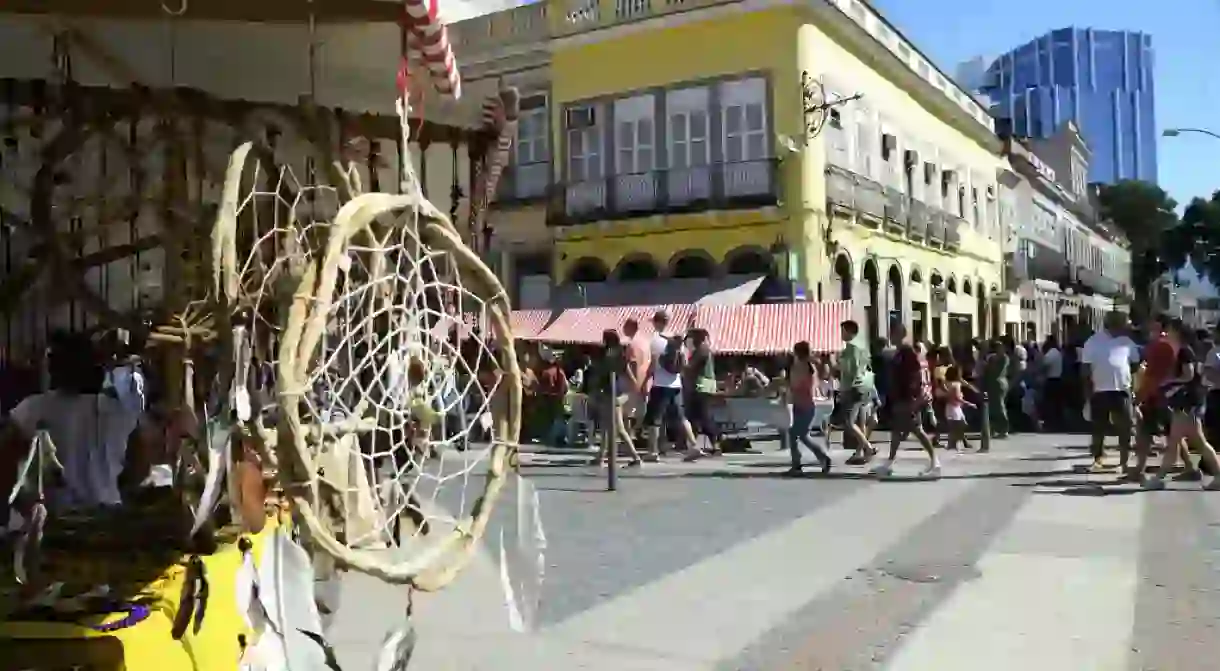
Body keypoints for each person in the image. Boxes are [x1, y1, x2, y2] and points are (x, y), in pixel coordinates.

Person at [0, 331, 146, 512]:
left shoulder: (33, 409)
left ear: (54, 369)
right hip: (109, 518)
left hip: (54, 523)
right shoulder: (119, 411)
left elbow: (4, 459)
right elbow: (140, 468)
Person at [1143, 319, 1220, 490]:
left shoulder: (1184, 351)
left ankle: (1159, 479)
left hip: (1188, 400)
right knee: (1178, 441)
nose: (1166, 332)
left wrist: (1168, 383)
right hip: (1185, 401)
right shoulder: (1181, 349)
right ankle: (1159, 478)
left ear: (1177, 331)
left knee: (1194, 441)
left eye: (1168, 329)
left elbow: (1189, 375)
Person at [871, 323, 939, 479]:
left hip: (907, 398)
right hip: (900, 397)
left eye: (893, 333)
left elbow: (916, 374)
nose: (891, 336)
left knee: (917, 430)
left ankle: (935, 462)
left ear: (901, 334)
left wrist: (916, 397)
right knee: (897, 430)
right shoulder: (899, 352)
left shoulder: (907, 352)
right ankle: (889, 463)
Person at [1080, 311, 1139, 472]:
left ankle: (1124, 461)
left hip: (1122, 389)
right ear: (1116, 325)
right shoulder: (1093, 342)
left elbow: (1135, 364)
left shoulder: (1127, 342)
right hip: (1099, 390)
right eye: (1125, 325)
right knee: (1099, 427)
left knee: (1125, 426)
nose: (1128, 328)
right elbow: (1085, 368)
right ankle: (1097, 458)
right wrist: (1087, 393)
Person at [643, 310, 700, 462]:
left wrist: (644, 381)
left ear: (657, 322)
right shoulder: (677, 340)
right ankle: (694, 446)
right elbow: (685, 363)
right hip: (676, 384)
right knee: (681, 417)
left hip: (660, 384)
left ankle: (652, 451)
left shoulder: (656, 340)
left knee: (654, 419)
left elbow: (654, 364)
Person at [1126, 314, 1177, 482]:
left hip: (1155, 396)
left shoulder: (1158, 346)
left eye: (1153, 326)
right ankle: (1188, 466)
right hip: (1167, 395)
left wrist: (1140, 395)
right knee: (1175, 432)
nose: (1149, 329)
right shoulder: (1171, 345)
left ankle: (1139, 469)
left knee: (1145, 432)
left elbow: (1152, 375)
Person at [589, 329, 644, 468]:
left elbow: (623, 374)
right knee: (607, 427)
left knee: (617, 428)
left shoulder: (612, 357)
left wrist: (629, 392)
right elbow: (629, 376)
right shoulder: (617, 355)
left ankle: (635, 457)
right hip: (612, 393)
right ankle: (601, 456)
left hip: (612, 394)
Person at [783, 341, 832, 476]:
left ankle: (801, 463)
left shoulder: (800, 367)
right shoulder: (810, 366)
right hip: (807, 404)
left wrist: (787, 386)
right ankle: (816, 459)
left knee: (795, 434)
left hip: (802, 404)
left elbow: (796, 386)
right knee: (801, 435)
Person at [838, 320, 876, 465]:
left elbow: (853, 370)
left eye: (842, 331)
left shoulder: (852, 347)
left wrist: (838, 365)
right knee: (860, 421)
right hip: (865, 386)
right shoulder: (863, 346)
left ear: (849, 331)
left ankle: (867, 447)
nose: (841, 334)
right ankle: (861, 451)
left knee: (849, 422)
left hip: (853, 387)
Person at [682, 329, 721, 454]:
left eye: (691, 337)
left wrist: (682, 363)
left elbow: (691, 367)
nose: (689, 340)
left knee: (704, 416)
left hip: (702, 386)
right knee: (696, 416)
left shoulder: (702, 350)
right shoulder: (701, 350)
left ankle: (715, 444)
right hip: (702, 385)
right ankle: (693, 445)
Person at [941, 365, 975, 452]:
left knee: (960, 425)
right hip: (953, 408)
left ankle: (952, 444)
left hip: (955, 407)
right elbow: (957, 398)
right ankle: (951, 444)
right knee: (957, 426)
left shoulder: (951, 383)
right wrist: (970, 404)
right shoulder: (955, 385)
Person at [981, 339, 1010, 440]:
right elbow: (986, 369)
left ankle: (1004, 428)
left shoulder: (1004, 358)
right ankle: (993, 429)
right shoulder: (992, 358)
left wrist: (990, 365)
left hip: (999, 384)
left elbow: (997, 370)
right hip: (991, 384)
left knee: (1000, 406)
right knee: (992, 407)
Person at [1040, 335, 1065, 430]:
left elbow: (1044, 365)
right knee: (1057, 403)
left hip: (1051, 380)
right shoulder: (1058, 353)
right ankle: (1058, 423)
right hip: (1058, 380)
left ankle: (1050, 423)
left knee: (1049, 403)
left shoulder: (1051, 353)